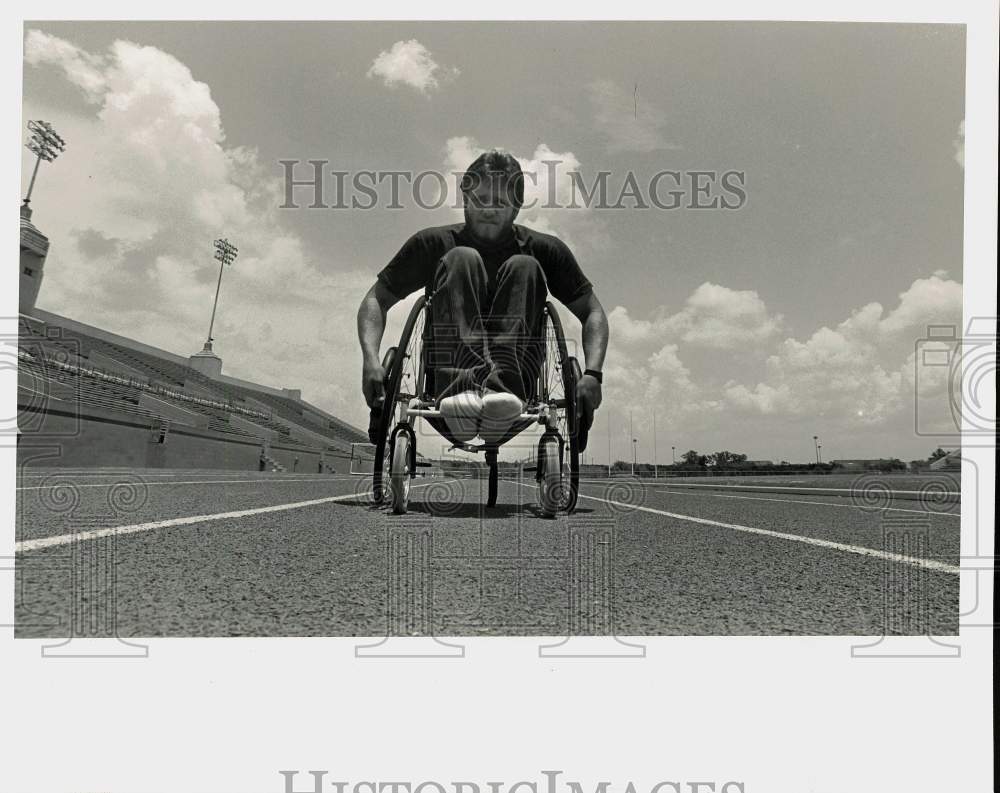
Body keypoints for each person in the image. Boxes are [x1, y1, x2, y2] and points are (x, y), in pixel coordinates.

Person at [357, 149, 608, 448]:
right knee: (462, 258)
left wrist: (592, 373)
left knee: (523, 266)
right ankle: (459, 391)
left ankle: (503, 392)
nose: (489, 209)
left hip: (515, 390)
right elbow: (376, 300)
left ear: (516, 207)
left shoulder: (545, 250)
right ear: (465, 198)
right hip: (446, 385)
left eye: (500, 202)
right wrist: (370, 360)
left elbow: (592, 312)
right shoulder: (432, 243)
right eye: (481, 198)